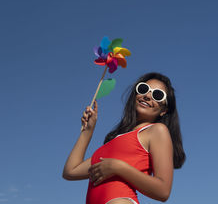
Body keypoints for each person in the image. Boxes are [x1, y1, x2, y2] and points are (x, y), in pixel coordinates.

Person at [63, 72, 186, 204]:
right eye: (144, 89)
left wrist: (118, 167)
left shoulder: (157, 131)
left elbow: (163, 191)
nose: (148, 96)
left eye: (157, 95)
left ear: (164, 110)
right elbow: (70, 171)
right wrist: (87, 131)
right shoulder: (115, 140)